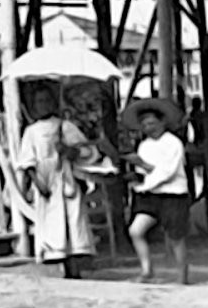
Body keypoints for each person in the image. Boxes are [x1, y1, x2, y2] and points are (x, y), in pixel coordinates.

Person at [16, 85, 103, 279]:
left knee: (72, 222)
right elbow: (27, 161)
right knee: (53, 225)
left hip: (66, 178)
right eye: (39, 102)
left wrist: (69, 151)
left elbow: (87, 152)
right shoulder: (31, 131)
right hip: (46, 181)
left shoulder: (65, 127)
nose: (43, 105)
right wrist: (37, 182)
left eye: (47, 100)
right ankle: (60, 264)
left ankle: (74, 268)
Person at [120, 98, 190, 284]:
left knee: (175, 237)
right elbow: (147, 172)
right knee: (136, 230)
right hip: (150, 194)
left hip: (173, 194)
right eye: (144, 125)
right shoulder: (144, 146)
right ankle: (146, 269)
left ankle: (182, 276)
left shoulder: (173, 143)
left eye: (152, 123)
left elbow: (167, 172)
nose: (148, 128)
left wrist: (143, 166)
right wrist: (136, 173)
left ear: (163, 122)